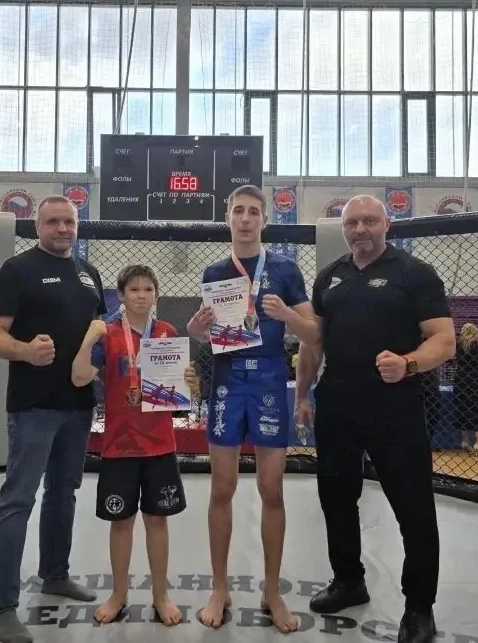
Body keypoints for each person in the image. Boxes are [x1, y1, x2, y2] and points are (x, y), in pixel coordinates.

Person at [295, 194, 456, 643]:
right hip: (337, 404)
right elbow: (313, 343)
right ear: (343, 229)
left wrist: (408, 363)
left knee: (413, 508)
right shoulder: (330, 276)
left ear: (387, 224)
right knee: (336, 499)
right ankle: (349, 580)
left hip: (396, 406)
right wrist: (302, 394)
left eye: (369, 221)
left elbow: (444, 340)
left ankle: (419, 607)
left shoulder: (415, 273)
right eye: (352, 223)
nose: (361, 229)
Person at [185, 184, 318, 633]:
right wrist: (196, 329)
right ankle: (219, 587)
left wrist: (290, 317)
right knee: (221, 489)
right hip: (228, 380)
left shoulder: (285, 268)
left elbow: (314, 332)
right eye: (238, 211)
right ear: (227, 217)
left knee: (271, 489)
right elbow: (212, 332)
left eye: (253, 212)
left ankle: (272, 591)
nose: (245, 219)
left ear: (264, 219)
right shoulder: (215, 271)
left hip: (268, 380)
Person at [0, 195, 107, 643]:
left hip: (78, 405)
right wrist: (25, 351)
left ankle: (55, 573)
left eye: (69, 221)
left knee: (63, 492)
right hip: (33, 406)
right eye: (53, 221)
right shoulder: (17, 270)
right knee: (18, 500)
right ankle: (2, 607)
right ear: (37, 226)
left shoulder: (89, 274)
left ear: (77, 226)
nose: (62, 228)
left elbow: (99, 335)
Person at [70, 264, 198, 627]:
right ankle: (118, 594)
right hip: (120, 446)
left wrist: (189, 380)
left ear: (156, 294)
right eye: (134, 290)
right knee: (121, 523)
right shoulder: (108, 333)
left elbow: (181, 395)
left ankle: (160, 595)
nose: (141, 296)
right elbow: (79, 377)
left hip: (159, 445)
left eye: (147, 289)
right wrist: (88, 340)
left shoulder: (167, 332)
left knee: (157, 521)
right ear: (122, 295)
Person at [452, 322, 478, 456]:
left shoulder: (458, 344)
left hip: (460, 378)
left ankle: (465, 441)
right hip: (473, 378)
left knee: (462, 407)